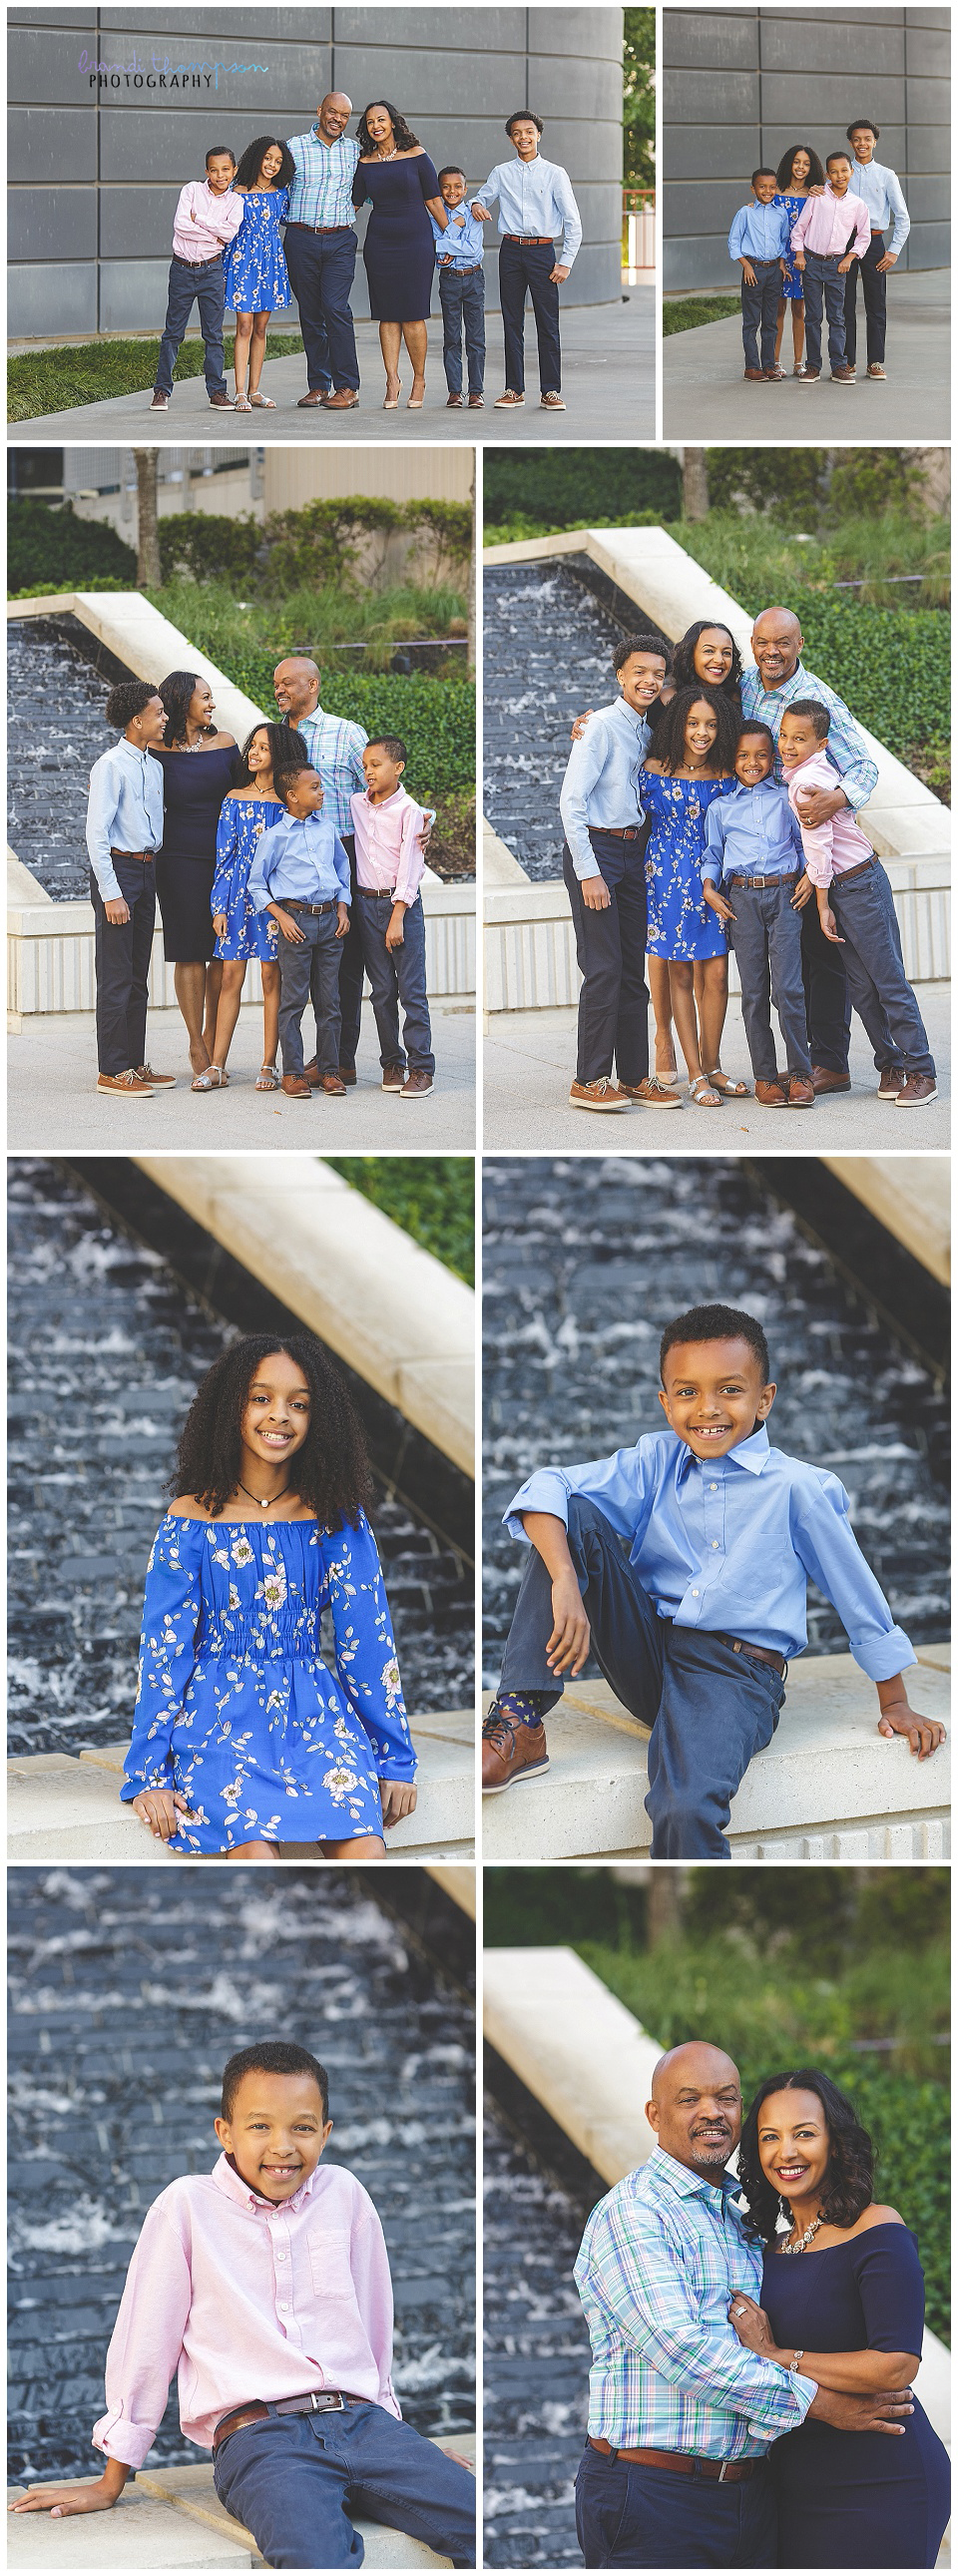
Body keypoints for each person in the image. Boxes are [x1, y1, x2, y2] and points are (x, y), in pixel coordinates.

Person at [481, 1300, 944, 1847]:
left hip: (734, 1673)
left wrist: (894, 1701)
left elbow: (855, 1592)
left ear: (764, 1399)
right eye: (687, 1392)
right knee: (572, 1515)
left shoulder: (799, 1488)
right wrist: (564, 1578)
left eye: (729, 1390)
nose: (707, 1409)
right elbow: (546, 1486)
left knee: (683, 1806)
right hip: (649, 1652)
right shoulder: (655, 1461)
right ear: (664, 1401)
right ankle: (520, 1719)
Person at [9, 2037, 476, 2566]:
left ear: (325, 2133)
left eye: (302, 2127)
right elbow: (146, 2342)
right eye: (260, 2126)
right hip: (262, 2441)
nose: (282, 2146)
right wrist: (113, 2477)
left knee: (479, 2524)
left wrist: (402, 2438)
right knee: (314, 2556)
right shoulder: (186, 2208)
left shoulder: (344, 2195)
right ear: (224, 2132)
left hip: (365, 2425)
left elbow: (371, 2325)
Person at [570, 2039, 922, 2571]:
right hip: (655, 2495)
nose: (711, 2112)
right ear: (654, 2114)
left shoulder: (742, 2225)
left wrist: (785, 2358)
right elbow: (684, 2352)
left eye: (726, 2098)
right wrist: (817, 2402)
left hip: (753, 2498)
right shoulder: (635, 2213)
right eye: (689, 2099)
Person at [120, 1333, 417, 1854]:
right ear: (230, 1407)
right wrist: (150, 1772)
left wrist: (395, 1760)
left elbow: (368, 1643)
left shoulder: (337, 1519)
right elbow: (164, 1650)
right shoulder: (189, 1521)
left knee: (367, 1848)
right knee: (256, 1853)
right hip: (217, 1723)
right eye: (261, 1398)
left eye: (298, 1405)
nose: (279, 1416)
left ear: (316, 1421)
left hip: (316, 1719)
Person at [732, 2068, 950, 2568]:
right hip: (793, 2491)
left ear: (835, 2141)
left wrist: (777, 2356)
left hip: (882, 2485)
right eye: (770, 2137)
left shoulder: (878, 2228)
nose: (786, 2152)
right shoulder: (772, 2249)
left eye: (803, 2133)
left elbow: (895, 2365)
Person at [739, 607, 879, 1093]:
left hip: (814, 848)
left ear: (800, 644)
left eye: (782, 643)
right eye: (762, 642)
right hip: (770, 849)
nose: (771, 652)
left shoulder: (817, 697)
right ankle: (806, 1062)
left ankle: (830, 1064)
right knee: (792, 963)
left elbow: (864, 766)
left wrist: (835, 800)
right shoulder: (747, 686)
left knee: (822, 960)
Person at [779, 703, 938, 1107]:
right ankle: (890, 1063)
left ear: (822, 744)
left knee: (887, 981)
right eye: (784, 736)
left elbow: (819, 846)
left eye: (800, 739)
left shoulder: (806, 784)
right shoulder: (799, 774)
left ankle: (922, 1069)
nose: (788, 745)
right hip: (844, 885)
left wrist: (822, 903)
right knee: (861, 987)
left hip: (859, 885)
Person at [559, 632, 681, 1114]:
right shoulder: (600, 727)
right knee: (604, 968)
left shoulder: (648, 729)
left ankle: (632, 1077)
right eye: (639, 672)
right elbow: (571, 803)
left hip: (634, 854)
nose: (649, 681)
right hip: (598, 853)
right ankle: (588, 1079)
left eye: (656, 673)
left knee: (633, 971)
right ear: (620, 675)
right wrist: (589, 873)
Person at [702, 722, 813, 1107]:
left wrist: (810, 877)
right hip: (741, 901)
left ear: (773, 758)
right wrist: (708, 887)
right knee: (754, 993)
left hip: (785, 895)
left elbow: (803, 842)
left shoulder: (786, 797)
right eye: (744, 755)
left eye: (762, 754)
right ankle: (766, 1077)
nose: (753, 762)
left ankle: (800, 1073)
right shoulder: (720, 807)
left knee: (789, 989)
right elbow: (713, 854)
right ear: (732, 760)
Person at [638, 688, 739, 1109]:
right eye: (693, 723)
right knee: (678, 972)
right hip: (666, 875)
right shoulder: (650, 768)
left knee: (715, 973)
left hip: (714, 873)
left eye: (712, 725)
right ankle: (695, 1073)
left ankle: (713, 1066)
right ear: (678, 724)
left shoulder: (727, 771)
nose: (702, 733)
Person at [199, 723, 310, 1094]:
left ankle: (268, 1064)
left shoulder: (289, 803)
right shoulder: (233, 797)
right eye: (253, 746)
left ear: (280, 754)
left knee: (270, 977)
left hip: (275, 902)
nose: (254, 752)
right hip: (236, 899)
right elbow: (224, 857)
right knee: (230, 976)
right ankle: (217, 1066)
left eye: (263, 747)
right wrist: (218, 907)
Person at [273, 655, 368, 1087]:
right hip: (287, 861)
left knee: (344, 966)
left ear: (312, 684)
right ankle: (295, 1063)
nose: (279, 691)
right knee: (293, 976)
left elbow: (379, 790)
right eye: (276, 684)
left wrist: (421, 822)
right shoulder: (273, 738)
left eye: (287, 684)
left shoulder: (346, 733)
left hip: (340, 855)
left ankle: (339, 1060)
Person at [85, 681, 173, 1100]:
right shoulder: (111, 765)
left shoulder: (153, 766)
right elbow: (96, 833)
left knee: (138, 975)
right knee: (117, 975)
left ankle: (134, 1063)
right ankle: (112, 1070)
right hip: (118, 872)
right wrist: (110, 892)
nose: (165, 718)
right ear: (137, 720)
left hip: (146, 870)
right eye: (158, 712)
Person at [150, 673, 237, 1085]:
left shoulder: (226, 744)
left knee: (221, 951)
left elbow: (255, 790)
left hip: (226, 859)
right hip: (178, 858)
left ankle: (211, 1035)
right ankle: (194, 1040)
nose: (212, 704)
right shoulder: (152, 750)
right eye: (205, 697)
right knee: (188, 950)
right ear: (183, 700)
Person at [247, 765, 351, 1099]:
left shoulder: (327, 829)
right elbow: (257, 884)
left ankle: (329, 1071)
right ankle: (293, 1073)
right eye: (315, 787)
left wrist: (342, 909)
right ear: (293, 795)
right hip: (296, 925)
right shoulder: (275, 836)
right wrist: (282, 917)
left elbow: (342, 869)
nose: (322, 792)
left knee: (330, 1002)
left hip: (330, 924)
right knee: (293, 1002)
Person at [472, 111, 582, 412]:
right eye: (517, 132)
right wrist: (478, 204)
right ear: (510, 138)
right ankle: (514, 389)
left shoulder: (555, 173)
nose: (524, 137)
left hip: (543, 254)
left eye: (529, 131)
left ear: (539, 135)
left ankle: (551, 391)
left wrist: (565, 261)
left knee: (548, 324)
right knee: (512, 322)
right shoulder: (501, 172)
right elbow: (480, 198)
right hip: (510, 253)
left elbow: (573, 221)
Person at [350, 736, 435, 1099]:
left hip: (402, 907)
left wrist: (398, 915)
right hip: (366, 906)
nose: (368, 771)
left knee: (411, 991)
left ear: (397, 768)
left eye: (376, 765)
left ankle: (422, 1068)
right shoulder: (357, 803)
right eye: (365, 765)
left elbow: (411, 866)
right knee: (381, 991)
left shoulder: (410, 811)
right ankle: (392, 1063)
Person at [352, 101, 448, 410]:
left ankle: (419, 378)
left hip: (416, 239)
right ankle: (392, 379)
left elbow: (434, 201)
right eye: (369, 122)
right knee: (387, 314)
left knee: (413, 313)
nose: (375, 125)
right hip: (380, 241)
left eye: (381, 119)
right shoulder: (364, 162)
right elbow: (352, 205)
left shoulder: (417, 155)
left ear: (393, 122)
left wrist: (452, 239)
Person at [283, 91, 361, 410]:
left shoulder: (356, 152)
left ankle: (347, 387)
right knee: (311, 313)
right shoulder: (294, 147)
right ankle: (318, 385)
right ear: (319, 111)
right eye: (332, 112)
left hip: (340, 241)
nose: (337, 120)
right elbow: (273, 184)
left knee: (336, 308)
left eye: (344, 116)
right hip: (300, 239)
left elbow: (371, 191)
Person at [151, 145, 242, 411]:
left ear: (234, 171)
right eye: (214, 170)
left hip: (212, 272)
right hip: (182, 269)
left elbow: (229, 235)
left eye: (225, 169)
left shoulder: (236, 202)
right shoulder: (191, 190)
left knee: (213, 335)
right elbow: (181, 224)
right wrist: (213, 236)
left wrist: (200, 220)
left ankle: (217, 392)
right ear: (206, 171)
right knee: (173, 334)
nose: (220, 175)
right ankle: (161, 391)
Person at [223, 135, 293, 410]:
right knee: (244, 326)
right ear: (256, 158)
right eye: (267, 158)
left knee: (261, 328)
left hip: (271, 264)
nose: (272, 165)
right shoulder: (236, 193)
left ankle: (254, 391)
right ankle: (239, 392)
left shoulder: (281, 194)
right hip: (243, 262)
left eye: (278, 161)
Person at [789, 153, 869, 383]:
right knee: (813, 317)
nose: (839, 175)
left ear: (851, 171)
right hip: (812, 263)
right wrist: (800, 254)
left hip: (837, 266)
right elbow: (799, 229)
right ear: (827, 174)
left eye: (844, 170)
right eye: (833, 171)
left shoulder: (858, 204)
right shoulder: (817, 196)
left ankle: (838, 366)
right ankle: (813, 366)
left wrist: (849, 258)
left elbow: (863, 237)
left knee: (837, 317)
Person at [843, 117, 911, 380]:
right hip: (844, 244)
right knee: (844, 305)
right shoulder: (840, 171)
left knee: (876, 305)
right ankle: (846, 362)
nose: (862, 143)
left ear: (875, 142)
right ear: (850, 142)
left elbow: (902, 216)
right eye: (857, 139)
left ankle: (875, 362)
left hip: (874, 243)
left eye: (867, 139)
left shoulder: (886, 175)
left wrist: (893, 250)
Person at [431, 165, 487, 408]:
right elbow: (435, 247)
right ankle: (455, 391)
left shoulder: (474, 213)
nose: (451, 191)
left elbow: (472, 249)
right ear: (440, 190)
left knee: (475, 338)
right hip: (450, 279)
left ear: (465, 190)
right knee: (452, 337)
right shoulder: (435, 214)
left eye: (457, 187)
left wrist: (447, 244)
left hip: (474, 278)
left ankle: (476, 392)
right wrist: (455, 229)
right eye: (446, 187)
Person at [727, 170, 790, 380]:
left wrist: (781, 264)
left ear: (777, 189)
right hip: (753, 271)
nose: (767, 190)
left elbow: (784, 241)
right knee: (752, 321)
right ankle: (752, 367)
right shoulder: (745, 212)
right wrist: (745, 265)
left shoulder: (781, 213)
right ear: (753, 189)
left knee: (771, 321)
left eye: (772, 187)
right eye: (762, 186)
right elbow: (734, 242)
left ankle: (769, 366)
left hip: (774, 271)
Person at [772, 144, 826, 374]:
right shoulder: (775, 192)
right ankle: (774, 362)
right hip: (777, 255)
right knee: (776, 310)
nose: (801, 167)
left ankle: (798, 362)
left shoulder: (816, 194)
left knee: (799, 310)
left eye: (806, 163)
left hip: (803, 257)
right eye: (796, 162)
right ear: (788, 163)